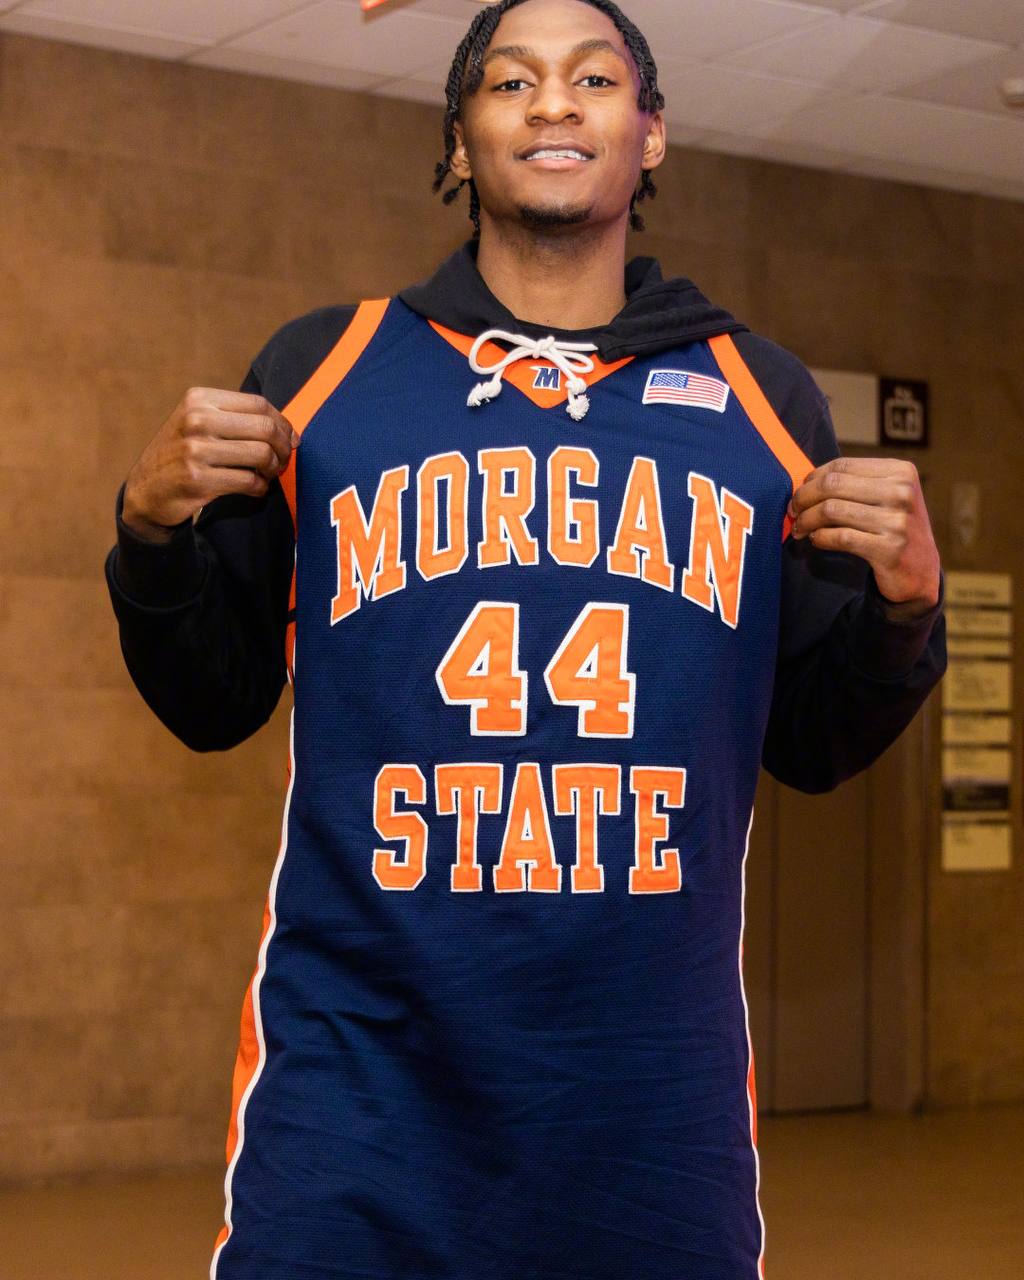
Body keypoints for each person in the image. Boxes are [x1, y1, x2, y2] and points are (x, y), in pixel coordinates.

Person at [104, 1, 946, 1276]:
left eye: (593, 78)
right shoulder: (325, 368)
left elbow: (812, 741)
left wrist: (907, 608)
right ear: (458, 141)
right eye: (510, 82)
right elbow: (211, 698)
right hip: (359, 1088)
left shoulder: (761, 398)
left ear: (649, 134)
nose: (553, 102)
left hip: (650, 1104)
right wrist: (151, 534)